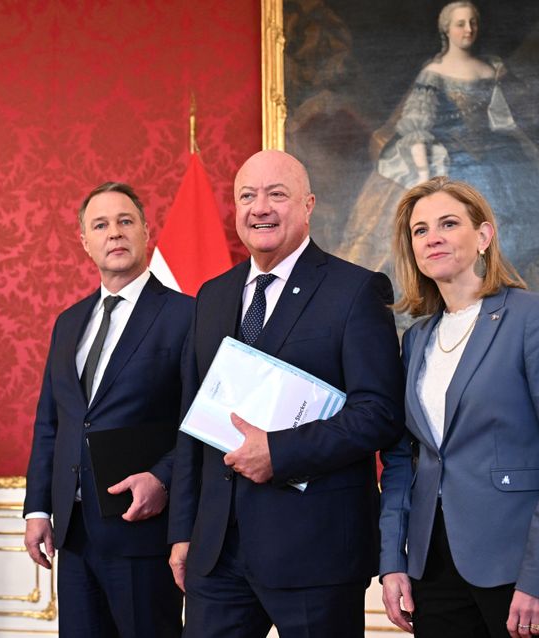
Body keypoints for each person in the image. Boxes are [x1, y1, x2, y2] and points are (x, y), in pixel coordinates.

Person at [168, 150, 403, 637]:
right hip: (217, 554)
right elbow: (193, 420)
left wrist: (280, 452)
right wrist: (183, 531)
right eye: (247, 196)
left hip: (315, 553)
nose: (261, 208)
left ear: (309, 204)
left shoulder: (356, 292)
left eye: (277, 194)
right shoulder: (212, 295)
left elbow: (379, 413)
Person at [379, 176, 539, 638]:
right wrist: (393, 561)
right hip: (433, 569)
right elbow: (403, 459)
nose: (431, 237)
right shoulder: (415, 340)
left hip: (521, 563)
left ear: (483, 236)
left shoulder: (535, 317)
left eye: (448, 223)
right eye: (419, 230)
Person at [23, 182, 192, 638]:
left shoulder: (186, 315)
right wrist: (37, 509)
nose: (114, 233)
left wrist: (163, 477)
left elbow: (201, 422)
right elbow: (51, 423)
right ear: (85, 241)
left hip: (143, 531)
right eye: (101, 225)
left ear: (145, 231)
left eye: (125, 221)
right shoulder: (69, 321)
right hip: (73, 535)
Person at [338, 1, 539, 280]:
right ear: (446, 29)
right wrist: (426, 178)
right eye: (461, 23)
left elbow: (527, 106)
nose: (469, 29)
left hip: (498, 157)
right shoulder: (434, 73)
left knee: (515, 227)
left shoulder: (492, 67)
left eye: (473, 22)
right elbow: (417, 128)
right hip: (448, 159)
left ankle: (504, 291)